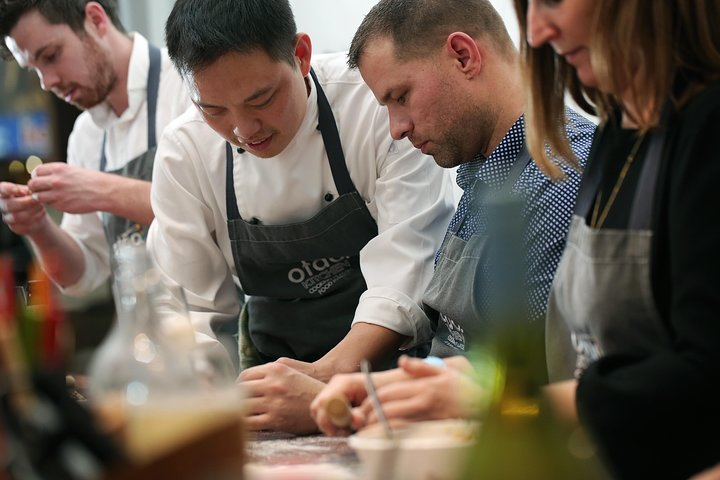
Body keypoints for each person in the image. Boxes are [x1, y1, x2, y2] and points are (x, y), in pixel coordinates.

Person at [149, 0, 455, 433]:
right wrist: (211, 388)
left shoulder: (372, 106)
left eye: (261, 99)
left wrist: (328, 377)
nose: (244, 129)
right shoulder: (186, 152)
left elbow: (408, 264)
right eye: (213, 110)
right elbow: (191, 309)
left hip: (392, 383)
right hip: (271, 383)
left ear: (301, 55)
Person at [311, 0, 595, 434]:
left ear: (463, 56)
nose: (396, 128)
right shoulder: (484, 170)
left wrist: (373, 406)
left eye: (400, 97)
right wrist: (363, 397)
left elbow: (544, 389)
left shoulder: (557, 178)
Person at [511, 0, 720, 478]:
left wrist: (509, 404)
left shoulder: (708, 128)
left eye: (551, 2)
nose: (538, 33)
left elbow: (707, 381)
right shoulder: (616, 132)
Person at [0, 0, 191, 295]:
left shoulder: (186, 84)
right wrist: (37, 227)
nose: (47, 82)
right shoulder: (85, 136)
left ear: (96, 20)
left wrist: (101, 191)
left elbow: (213, 216)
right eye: (34, 69)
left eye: (50, 56)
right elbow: (79, 276)